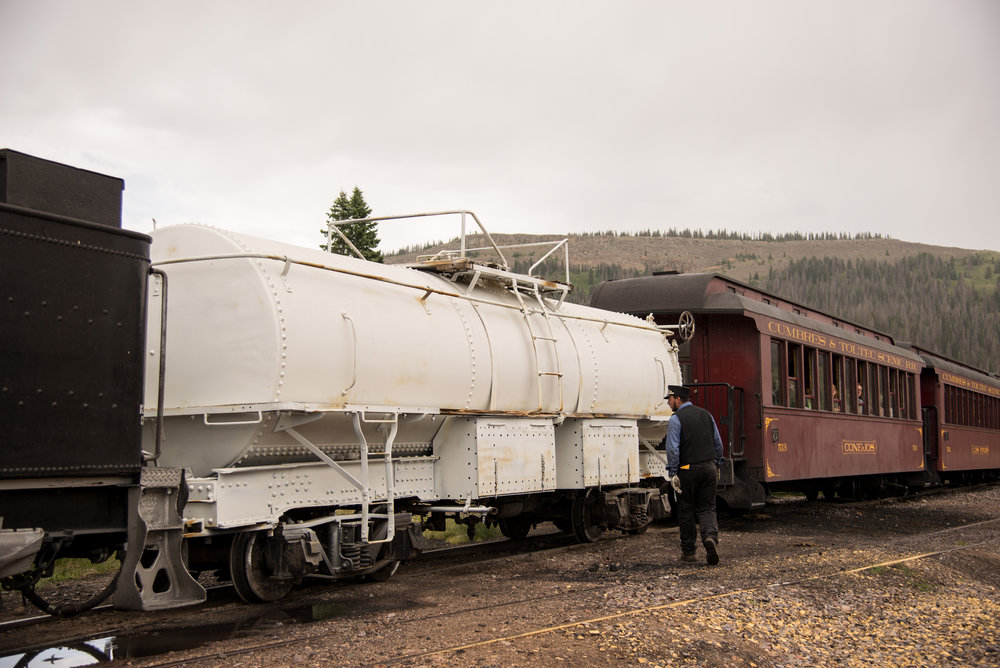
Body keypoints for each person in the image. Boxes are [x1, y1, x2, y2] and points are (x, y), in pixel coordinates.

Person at [663, 385, 724, 565]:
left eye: (670, 399)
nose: (668, 402)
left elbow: (673, 448)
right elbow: (717, 442)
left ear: (678, 399)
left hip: (687, 469)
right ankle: (710, 538)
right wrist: (717, 462)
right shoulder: (707, 415)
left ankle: (689, 553)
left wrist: (673, 472)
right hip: (709, 467)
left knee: (686, 510)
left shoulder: (676, 419)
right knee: (707, 508)